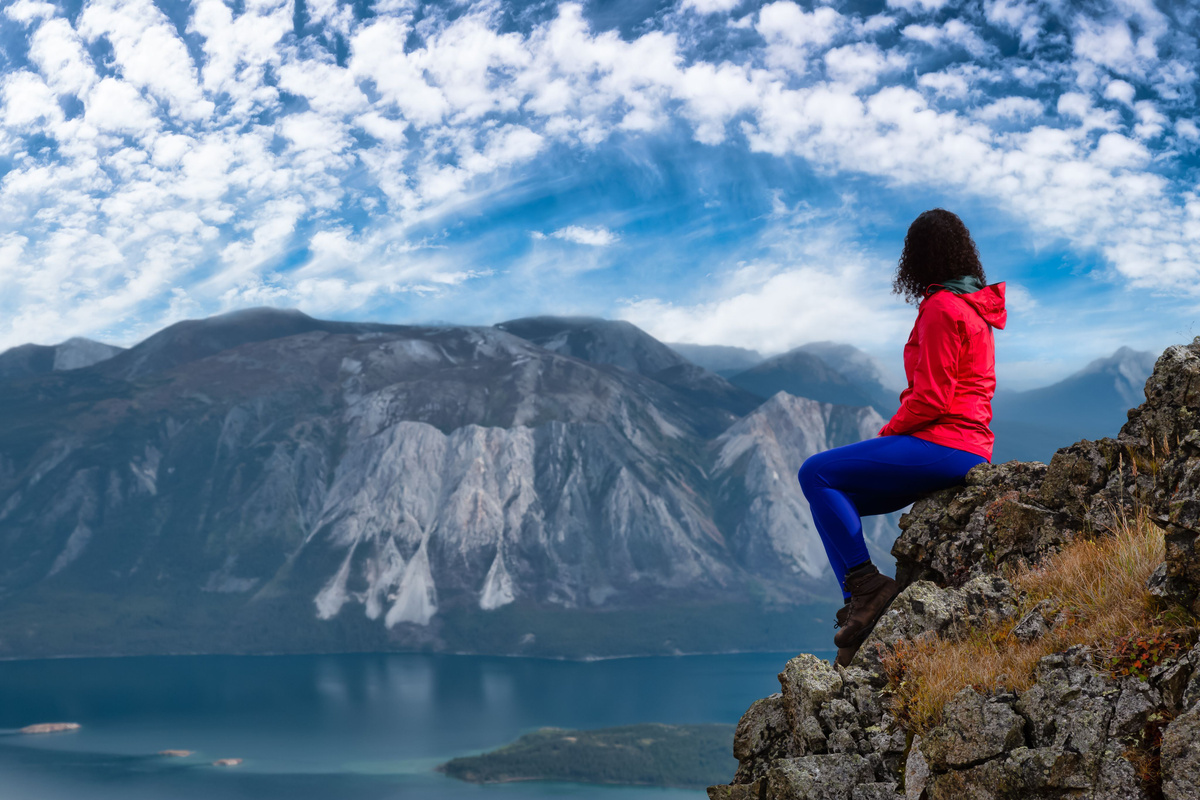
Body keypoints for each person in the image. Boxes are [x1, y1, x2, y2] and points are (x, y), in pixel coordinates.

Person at [797, 208, 1007, 668]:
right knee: (831, 498)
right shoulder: (974, 307)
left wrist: (886, 435)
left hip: (945, 443)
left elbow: (931, 399)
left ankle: (868, 590)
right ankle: (860, 608)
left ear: (918, 258)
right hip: (969, 444)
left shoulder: (941, 307)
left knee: (816, 472)